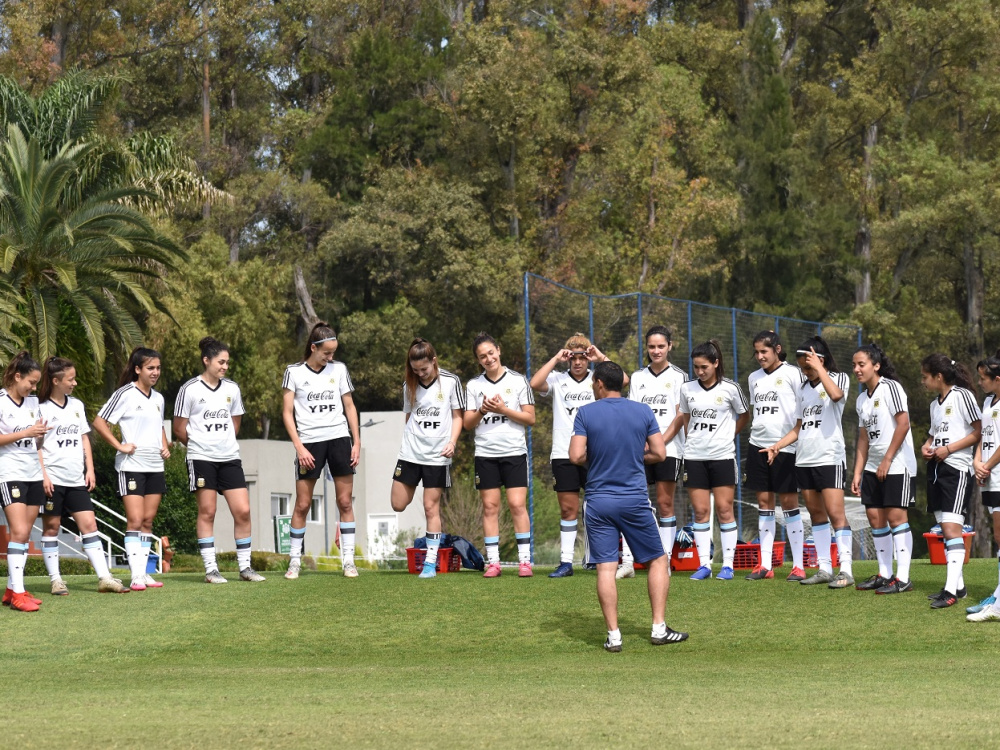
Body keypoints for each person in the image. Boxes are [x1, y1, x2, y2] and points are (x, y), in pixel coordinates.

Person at [569, 360, 688, 652]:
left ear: (598, 383)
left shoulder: (585, 413)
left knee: (606, 569)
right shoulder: (642, 411)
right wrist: (635, 457)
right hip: (634, 499)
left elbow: (575, 456)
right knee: (658, 560)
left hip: (598, 500)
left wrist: (596, 458)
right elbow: (660, 453)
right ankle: (659, 628)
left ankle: (614, 636)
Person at [762, 338, 853, 588]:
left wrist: (820, 369)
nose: (805, 371)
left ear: (820, 360)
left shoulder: (839, 378)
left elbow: (835, 395)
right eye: (803, 367)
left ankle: (846, 569)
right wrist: (778, 446)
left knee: (836, 513)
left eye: (809, 366)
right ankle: (825, 567)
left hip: (830, 457)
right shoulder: (802, 389)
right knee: (816, 513)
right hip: (805, 459)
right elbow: (799, 427)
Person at [174, 337, 265, 585]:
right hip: (201, 458)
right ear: (207, 360)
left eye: (227, 362)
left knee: (243, 511)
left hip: (229, 458)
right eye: (220, 362)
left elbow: (235, 422)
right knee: (208, 511)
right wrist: (200, 445)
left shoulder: (232, 389)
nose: (224, 366)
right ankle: (211, 569)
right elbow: (179, 428)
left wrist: (222, 442)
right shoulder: (189, 389)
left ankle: (245, 568)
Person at [37, 357, 129, 595]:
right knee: (52, 527)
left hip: (76, 479)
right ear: (56, 381)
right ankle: (56, 580)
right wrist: (44, 475)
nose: (75, 383)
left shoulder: (76, 405)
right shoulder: (41, 408)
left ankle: (104, 578)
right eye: (70, 379)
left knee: (89, 525)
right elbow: (35, 445)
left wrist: (90, 468)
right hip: (52, 480)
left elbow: (84, 438)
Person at [662, 340, 749, 580]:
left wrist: (728, 435)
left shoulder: (731, 388)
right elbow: (686, 419)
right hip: (694, 457)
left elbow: (744, 415)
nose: (700, 372)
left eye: (704, 367)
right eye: (696, 367)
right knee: (700, 512)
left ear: (716, 363)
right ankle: (704, 566)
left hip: (722, 457)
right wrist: (693, 441)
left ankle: (728, 566)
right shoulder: (687, 389)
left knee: (724, 509)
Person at [529, 333, 613, 578]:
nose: (578, 362)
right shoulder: (557, 379)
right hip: (563, 453)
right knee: (568, 509)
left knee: (599, 506)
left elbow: (623, 379)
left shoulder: (598, 380)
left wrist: (600, 359)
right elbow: (534, 384)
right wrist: (555, 358)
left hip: (594, 453)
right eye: (573, 357)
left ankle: (599, 557)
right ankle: (566, 562)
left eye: (582, 357)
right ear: (568, 358)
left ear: (588, 358)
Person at [281, 322, 361, 579]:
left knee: (345, 501)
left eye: (333, 352)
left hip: (339, 439)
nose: (330, 357)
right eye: (326, 352)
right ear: (313, 348)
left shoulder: (339, 370)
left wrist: (356, 441)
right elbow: (287, 412)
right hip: (310, 444)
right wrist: (299, 446)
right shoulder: (293, 372)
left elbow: (349, 406)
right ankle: (294, 561)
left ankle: (348, 561)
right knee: (303, 504)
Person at [93, 347, 171, 592]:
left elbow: (159, 427)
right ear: (138, 369)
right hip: (131, 467)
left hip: (155, 466)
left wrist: (166, 446)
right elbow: (99, 421)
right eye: (150, 368)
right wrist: (119, 445)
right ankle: (136, 575)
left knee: (148, 521)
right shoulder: (125, 393)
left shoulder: (158, 398)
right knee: (135, 520)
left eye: (158, 368)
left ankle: (145, 573)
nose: (155, 372)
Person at [390, 338, 465, 579]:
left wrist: (452, 442)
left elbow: (457, 417)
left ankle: (430, 563)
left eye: (424, 369)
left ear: (434, 361)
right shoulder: (409, 385)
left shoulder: (451, 382)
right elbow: (408, 417)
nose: (420, 374)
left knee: (430, 507)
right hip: (411, 453)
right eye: (415, 370)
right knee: (397, 504)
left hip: (437, 455)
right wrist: (406, 444)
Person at [464, 332, 536, 577]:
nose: (488, 358)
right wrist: (483, 409)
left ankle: (525, 561)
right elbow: (467, 423)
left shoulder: (518, 381)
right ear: (478, 360)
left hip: (514, 452)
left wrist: (504, 409)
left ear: (499, 350)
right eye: (482, 356)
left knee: (517, 505)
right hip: (485, 454)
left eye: (491, 353)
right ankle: (492, 562)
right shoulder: (474, 385)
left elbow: (530, 418)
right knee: (490, 507)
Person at [850, 343, 918, 595]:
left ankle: (903, 578)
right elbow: (863, 439)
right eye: (854, 365)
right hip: (872, 467)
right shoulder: (860, 399)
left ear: (875, 365)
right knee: (875, 519)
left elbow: (903, 425)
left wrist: (888, 459)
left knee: (896, 519)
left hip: (897, 464)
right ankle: (884, 573)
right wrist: (858, 472)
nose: (856, 369)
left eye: (862, 364)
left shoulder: (891, 388)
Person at [623, 325, 686, 579]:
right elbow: (633, 413)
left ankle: (665, 560)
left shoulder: (680, 377)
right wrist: (642, 443)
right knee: (632, 502)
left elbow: (681, 415)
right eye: (651, 347)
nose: (656, 351)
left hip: (669, 448)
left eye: (661, 346)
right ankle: (628, 561)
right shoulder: (638, 377)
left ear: (670, 346)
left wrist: (659, 441)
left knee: (664, 502)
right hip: (640, 449)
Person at [919, 353, 980, 609]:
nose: (923, 381)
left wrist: (950, 449)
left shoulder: (962, 396)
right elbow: (934, 436)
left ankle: (949, 591)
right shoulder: (935, 405)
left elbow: (979, 431)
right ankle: (959, 587)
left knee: (953, 529)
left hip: (957, 469)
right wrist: (927, 446)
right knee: (945, 528)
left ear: (939, 376)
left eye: (925, 377)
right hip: (937, 471)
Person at [745, 331, 806, 582]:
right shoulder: (753, 378)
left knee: (790, 503)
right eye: (757, 352)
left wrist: (782, 444)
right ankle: (765, 565)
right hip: (757, 445)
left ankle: (799, 565)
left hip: (786, 448)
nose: (760, 357)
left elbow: (802, 413)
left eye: (764, 352)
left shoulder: (793, 373)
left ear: (777, 349)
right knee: (764, 503)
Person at [0, 352, 50, 611]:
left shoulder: (33, 404)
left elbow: (35, 442)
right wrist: (27, 432)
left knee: (25, 533)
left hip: (33, 473)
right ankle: (19, 594)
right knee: (18, 531)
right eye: (31, 382)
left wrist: (40, 435)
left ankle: (11, 590)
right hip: (10, 474)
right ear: (16, 376)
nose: (33, 388)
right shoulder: (0, 401)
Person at [968, 353, 1000, 621]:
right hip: (990, 473)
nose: (979, 382)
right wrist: (977, 462)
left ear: (997, 379)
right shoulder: (988, 401)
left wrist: (987, 464)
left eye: (983, 378)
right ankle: (998, 596)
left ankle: (999, 603)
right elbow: (984, 436)